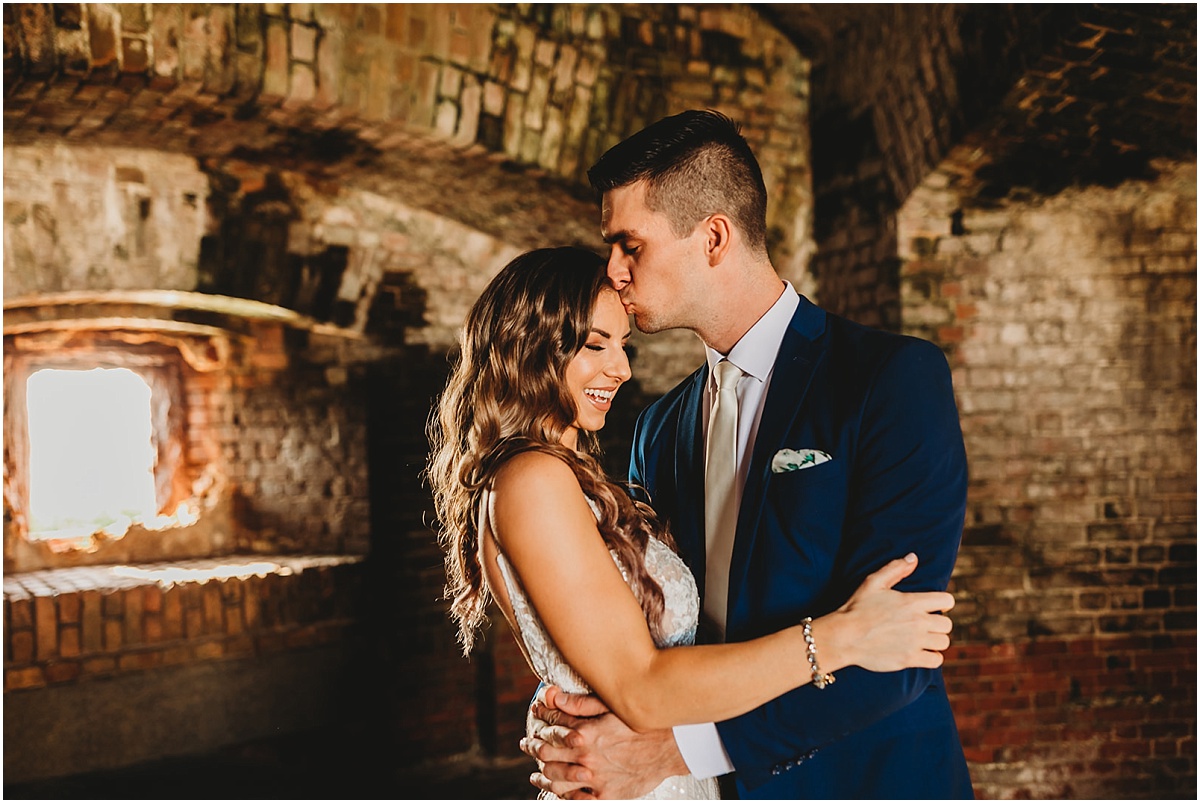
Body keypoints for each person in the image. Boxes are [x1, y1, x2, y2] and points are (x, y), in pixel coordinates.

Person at [521, 111, 974, 799]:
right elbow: (652, 633)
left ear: (713, 237)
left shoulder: (891, 379)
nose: (613, 272)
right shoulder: (659, 427)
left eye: (629, 244)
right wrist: (571, 711)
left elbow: (898, 648)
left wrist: (680, 751)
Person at [427, 246, 958, 799]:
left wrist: (565, 700)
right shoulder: (533, 479)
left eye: (622, 345)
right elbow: (640, 685)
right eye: (594, 344)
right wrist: (840, 635)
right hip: (639, 780)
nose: (622, 369)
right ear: (527, 348)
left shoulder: (567, 475)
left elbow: (595, 648)